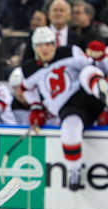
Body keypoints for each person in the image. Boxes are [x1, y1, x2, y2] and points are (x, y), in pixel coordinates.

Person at [21, 27, 108, 191]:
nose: (44, 48)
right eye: (40, 45)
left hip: (87, 94)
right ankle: (74, 170)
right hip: (67, 107)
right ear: (34, 48)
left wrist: (101, 57)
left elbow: (96, 66)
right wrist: (37, 108)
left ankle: (104, 96)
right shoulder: (28, 70)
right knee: (70, 130)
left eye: (48, 44)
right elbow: (26, 89)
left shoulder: (71, 52)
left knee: (88, 71)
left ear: (55, 44)